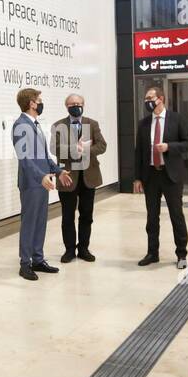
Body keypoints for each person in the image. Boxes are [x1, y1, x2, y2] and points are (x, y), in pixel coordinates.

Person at [12, 87, 72, 281]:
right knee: (29, 223)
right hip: (32, 183)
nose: (40, 102)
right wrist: (41, 177)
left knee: (40, 223)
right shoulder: (20, 125)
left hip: (43, 181)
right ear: (31, 103)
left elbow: (45, 157)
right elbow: (25, 158)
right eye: (38, 99)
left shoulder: (35, 125)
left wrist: (58, 170)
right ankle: (25, 264)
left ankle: (38, 259)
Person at [133, 85, 188, 269]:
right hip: (150, 175)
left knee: (176, 215)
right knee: (152, 217)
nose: (147, 102)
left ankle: (181, 254)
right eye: (145, 99)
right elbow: (138, 153)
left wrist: (169, 147)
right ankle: (152, 253)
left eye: (151, 98)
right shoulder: (143, 123)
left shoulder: (176, 119)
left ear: (161, 99)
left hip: (171, 175)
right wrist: (137, 178)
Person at [49, 93, 108, 263]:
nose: (76, 105)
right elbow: (55, 149)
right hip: (67, 177)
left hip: (89, 177)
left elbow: (102, 145)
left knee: (86, 215)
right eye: (72, 103)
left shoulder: (92, 124)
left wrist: (86, 150)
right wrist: (74, 149)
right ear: (66, 106)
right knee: (67, 216)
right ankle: (69, 250)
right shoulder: (58, 125)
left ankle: (83, 248)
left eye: (78, 103)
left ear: (84, 105)